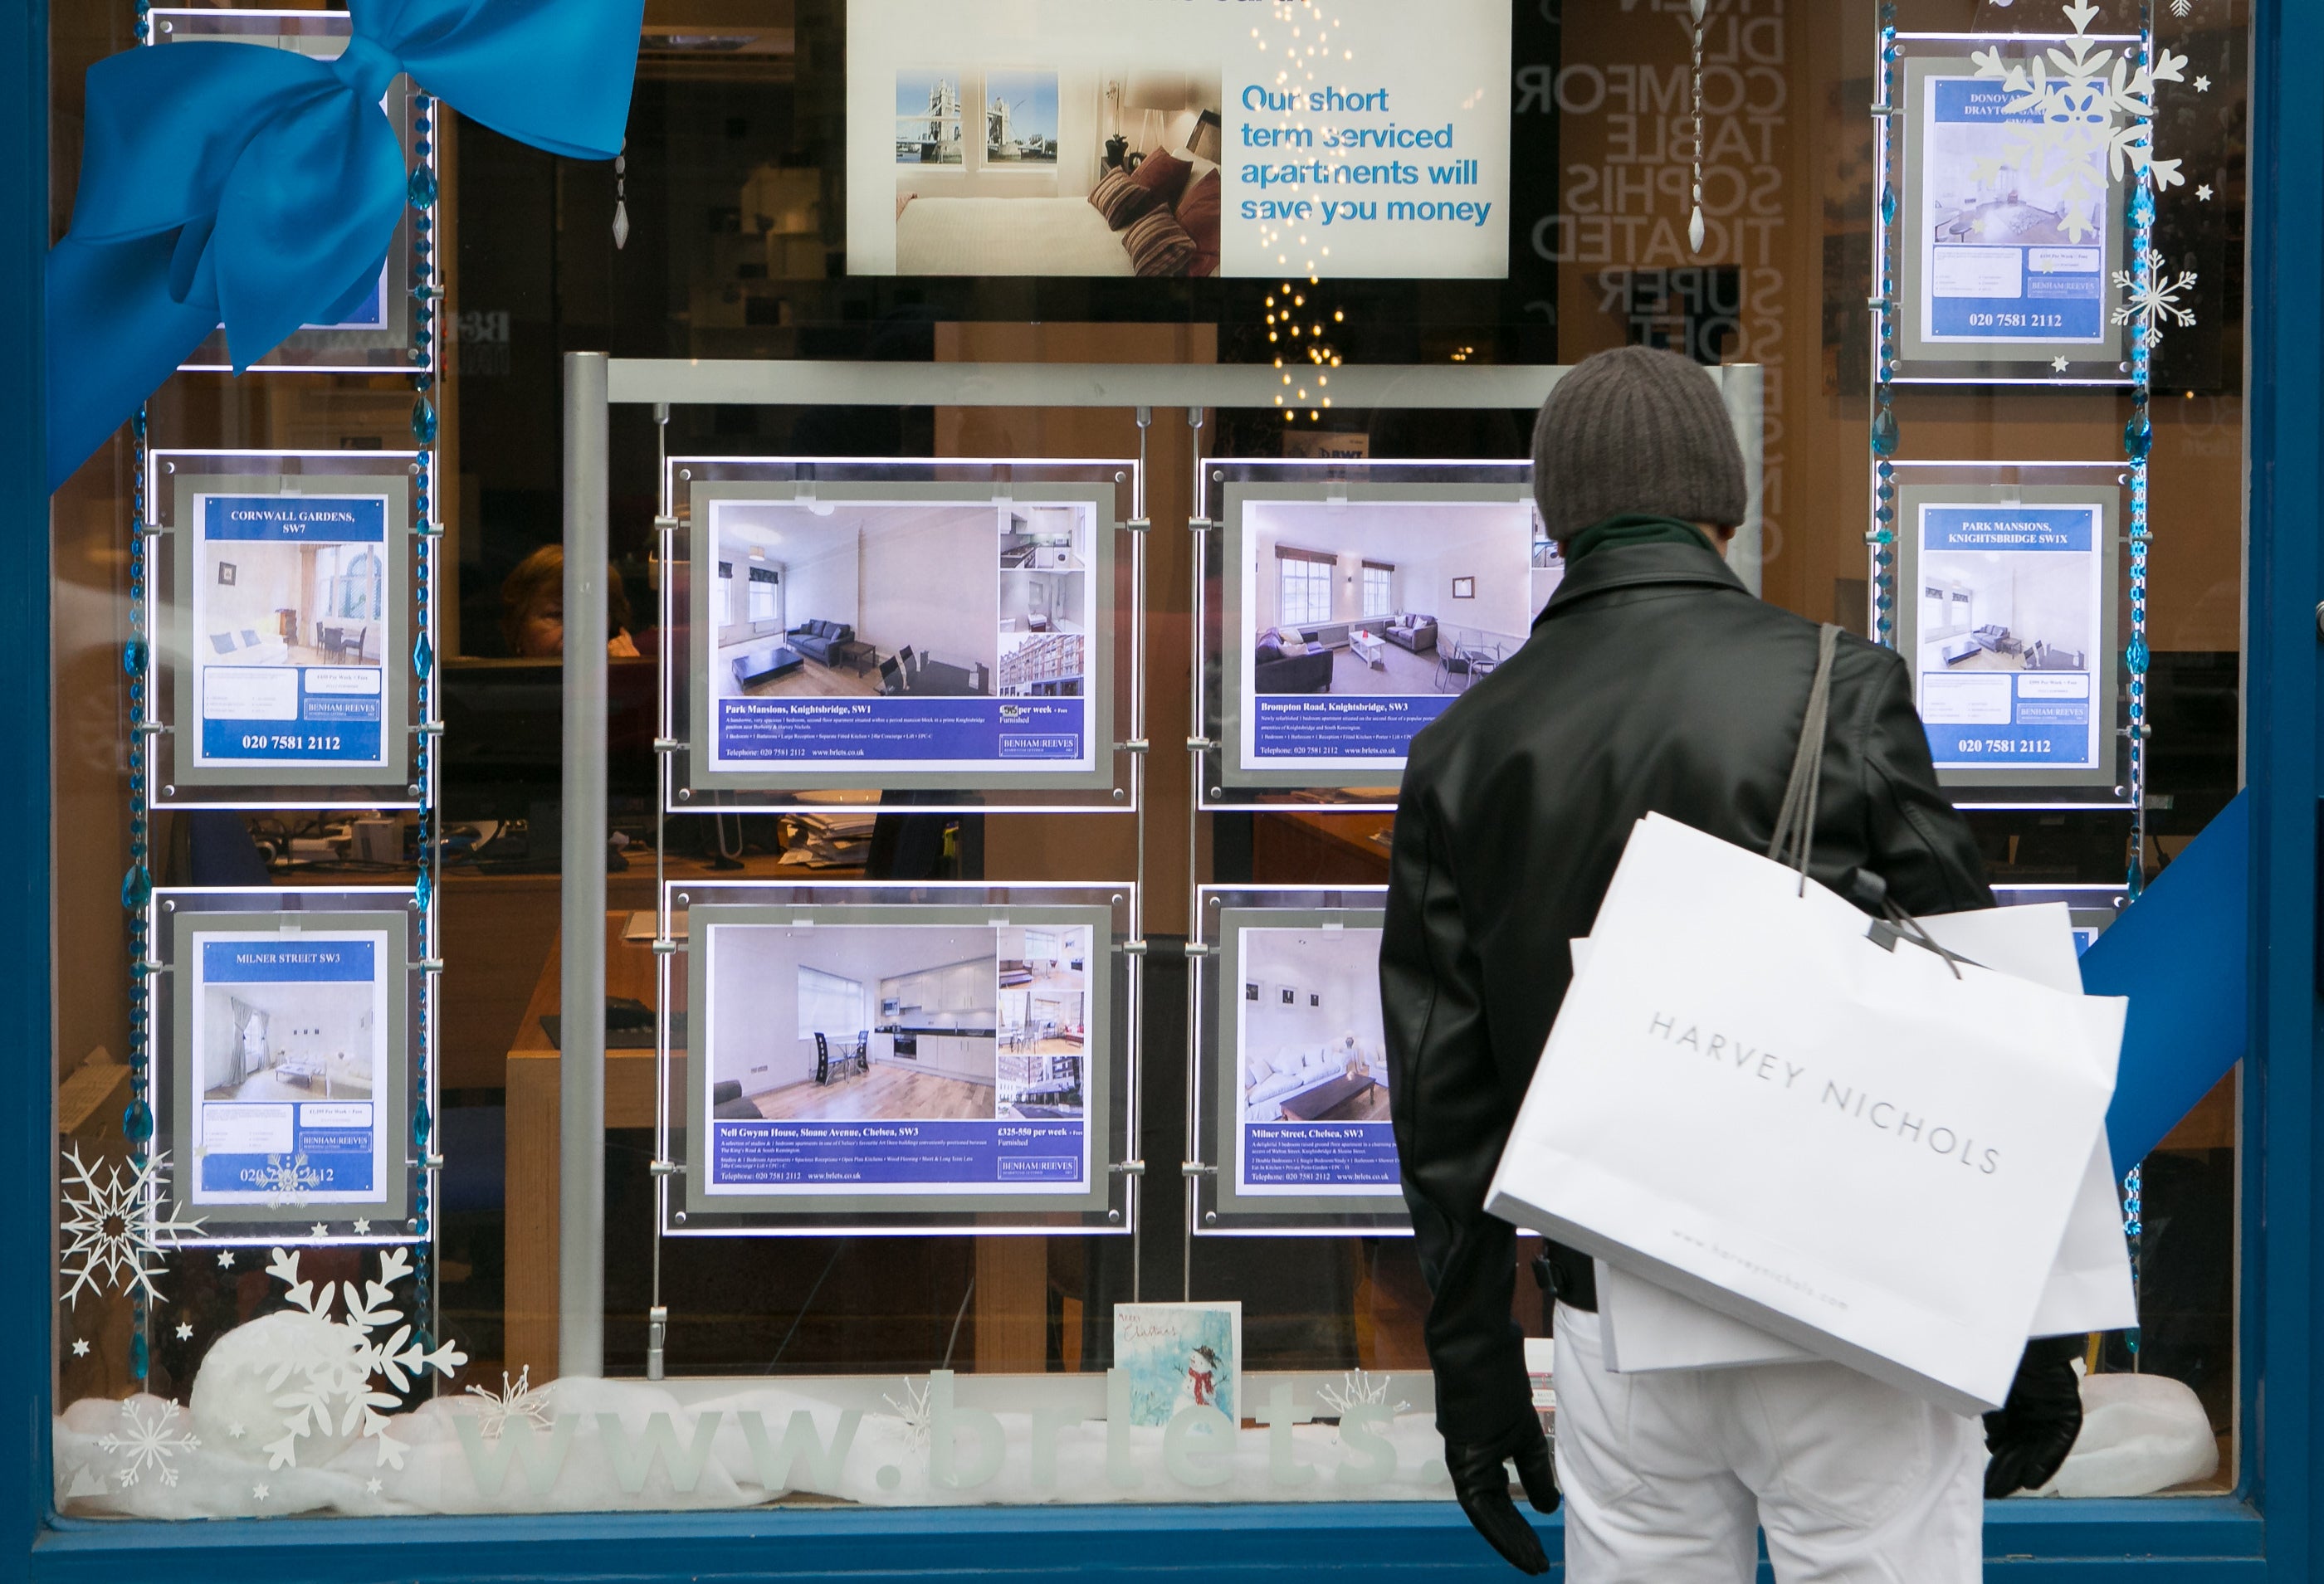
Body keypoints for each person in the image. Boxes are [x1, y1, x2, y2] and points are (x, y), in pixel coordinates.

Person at [1380, 345, 2084, 1581]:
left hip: (1617, 1309)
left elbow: (1447, 1098)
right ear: (1726, 500)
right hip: (1848, 1308)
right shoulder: (1838, 688)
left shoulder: (1461, 749)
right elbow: (1987, 1014)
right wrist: (2030, 1329)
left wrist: (1475, 1371)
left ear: (1558, 520)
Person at [499, 544, 642, 658]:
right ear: (517, 630)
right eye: (557, 615)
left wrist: (628, 675)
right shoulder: (487, 690)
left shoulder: (641, 685)